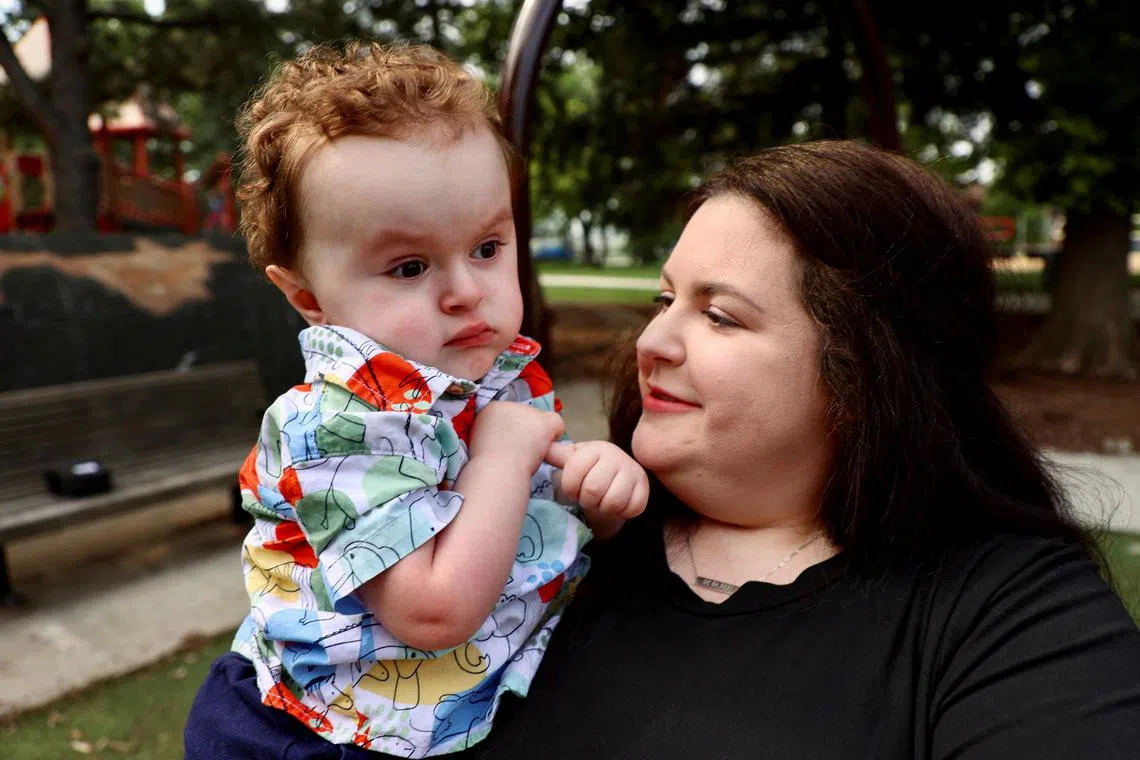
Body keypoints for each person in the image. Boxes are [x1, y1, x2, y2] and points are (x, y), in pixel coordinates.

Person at [459, 140, 1140, 759]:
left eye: (719, 316)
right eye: (664, 300)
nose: (651, 343)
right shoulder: (544, 534)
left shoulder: (1007, 613)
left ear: (864, 370)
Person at [184, 42, 646, 759]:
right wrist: (503, 453)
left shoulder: (478, 375)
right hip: (315, 736)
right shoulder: (334, 425)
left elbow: (511, 517)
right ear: (309, 298)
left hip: (437, 717)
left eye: (488, 247)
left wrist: (588, 491)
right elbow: (434, 608)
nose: (467, 290)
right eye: (409, 266)